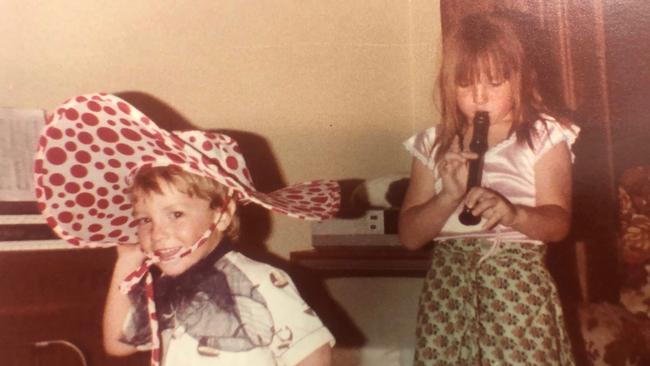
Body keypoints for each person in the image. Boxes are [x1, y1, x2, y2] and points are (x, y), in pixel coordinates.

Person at [34, 93, 340, 366]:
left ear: (221, 214)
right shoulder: (167, 286)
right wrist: (127, 259)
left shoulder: (262, 280)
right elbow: (116, 345)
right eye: (144, 220)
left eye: (176, 214)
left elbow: (315, 354)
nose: (157, 233)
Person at [398, 11, 579, 366]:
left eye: (494, 83)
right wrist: (448, 197)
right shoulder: (433, 144)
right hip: (447, 291)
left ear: (522, 80)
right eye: (465, 84)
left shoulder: (543, 136)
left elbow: (558, 223)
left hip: (516, 287)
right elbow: (409, 236)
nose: (479, 97)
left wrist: (513, 214)